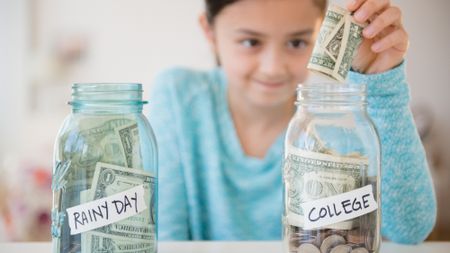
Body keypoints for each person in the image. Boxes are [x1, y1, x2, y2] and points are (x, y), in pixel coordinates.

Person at [148, 0, 436, 243]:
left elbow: (410, 230)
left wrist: (383, 88)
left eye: (297, 42)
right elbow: (165, 240)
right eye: (250, 42)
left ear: (322, 30)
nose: (273, 68)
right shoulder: (177, 95)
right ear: (209, 32)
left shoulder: (338, 114)